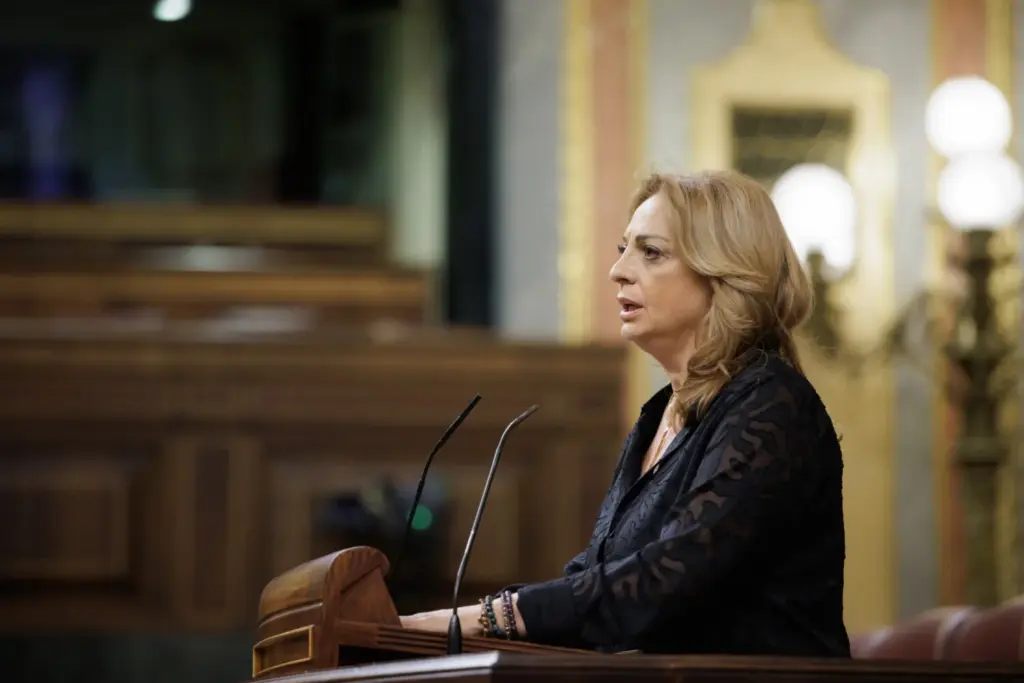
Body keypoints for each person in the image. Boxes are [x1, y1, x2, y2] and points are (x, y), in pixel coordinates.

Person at [400, 170, 850, 656]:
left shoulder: (773, 406)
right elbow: (597, 580)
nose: (618, 270)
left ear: (724, 271)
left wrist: (489, 617)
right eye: (623, 249)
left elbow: (665, 583)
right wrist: (462, 625)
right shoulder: (660, 413)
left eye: (651, 252)